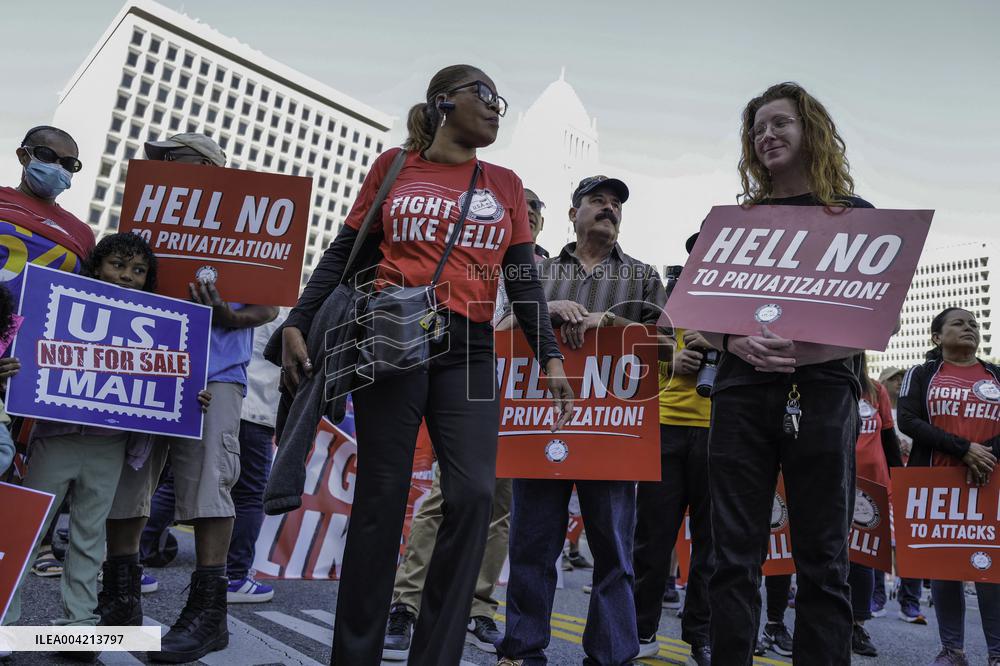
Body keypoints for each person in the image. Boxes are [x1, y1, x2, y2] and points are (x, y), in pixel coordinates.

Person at [276, 65, 572, 666]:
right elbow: (343, 253)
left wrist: (549, 355)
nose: (495, 107)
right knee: (381, 498)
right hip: (393, 338)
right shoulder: (393, 167)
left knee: (474, 493)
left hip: (471, 348)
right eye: (483, 94)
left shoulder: (506, 184)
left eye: (500, 101)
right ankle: (354, 655)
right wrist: (297, 320)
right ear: (443, 103)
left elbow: (521, 278)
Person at [700, 82, 874, 665]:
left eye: (780, 123)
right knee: (732, 556)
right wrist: (734, 341)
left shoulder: (855, 216)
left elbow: (877, 320)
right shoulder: (734, 221)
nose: (766, 135)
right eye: (757, 129)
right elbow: (701, 312)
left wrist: (802, 353)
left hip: (823, 396)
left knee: (823, 558)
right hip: (739, 394)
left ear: (811, 130)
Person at [97, 133, 279, 663]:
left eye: (171, 159)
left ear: (206, 167)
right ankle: (121, 604)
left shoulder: (243, 225)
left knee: (208, 486)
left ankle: (207, 614)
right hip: (148, 365)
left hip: (214, 373)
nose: (161, 167)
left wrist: (226, 314)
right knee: (129, 480)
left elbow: (267, 308)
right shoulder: (151, 222)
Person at [2, 234, 208, 654]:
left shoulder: (154, 323)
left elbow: (169, 376)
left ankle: (79, 626)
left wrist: (191, 395)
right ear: (96, 267)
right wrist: (7, 368)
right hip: (55, 439)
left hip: (109, 446)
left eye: (138, 270)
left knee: (89, 538)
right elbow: (24, 351)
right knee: (27, 531)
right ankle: (4, 620)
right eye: (117, 265)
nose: (127, 276)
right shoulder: (53, 305)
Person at [495, 174, 668, 665]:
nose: (609, 208)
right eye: (597, 200)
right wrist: (544, 309)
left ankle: (610, 656)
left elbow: (668, 345)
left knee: (613, 552)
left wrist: (608, 322)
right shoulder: (538, 272)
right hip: (541, 424)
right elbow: (500, 329)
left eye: (616, 204)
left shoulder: (642, 277)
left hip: (612, 431)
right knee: (532, 546)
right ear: (573, 214)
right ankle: (522, 650)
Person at [383, 188, 548, 660]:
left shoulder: (543, 271)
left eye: (534, 216)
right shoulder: (472, 259)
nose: (527, 220)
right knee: (444, 496)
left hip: (519, 403)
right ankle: (406, 604)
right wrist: (517, 321)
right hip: (467, 394)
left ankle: (479, 607)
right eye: (521, 212)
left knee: (499, 508)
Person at [140, 311, 287, 603]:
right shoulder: (279, 311)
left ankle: (131, 557)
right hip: (250, 407)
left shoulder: (259, 306)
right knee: (246, 493)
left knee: (178, 484)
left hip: (218, 392)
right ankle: (233, 575)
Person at [2, 125, 95, 578]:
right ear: (24, 156)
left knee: (21, 464)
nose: (58, 168)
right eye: (47, 156)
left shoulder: (81, 233)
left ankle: (24, 547)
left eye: (69, 163)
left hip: (33, 366)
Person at [897, 307, 1000, 666]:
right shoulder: (922, 373)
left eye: (974, 324)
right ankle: (952, 650)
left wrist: (984, 456)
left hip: (990, 481)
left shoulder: (996, 375)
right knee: (944, 567)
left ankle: (997, 653)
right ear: (937, 336)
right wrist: (963, 449)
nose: (969, 328)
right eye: (959, 323)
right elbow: (907, 419)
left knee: (991, 568)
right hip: (936, 483)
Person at [631, 232, 713, 664]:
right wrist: (672, 359)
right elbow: (636, 348)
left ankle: (701, 634)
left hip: (720, 431)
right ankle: (641, 628)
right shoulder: (668, 296)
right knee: (652, 538)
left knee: (711, 544)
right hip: (665, 426)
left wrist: (721, 347)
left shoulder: (741, 300)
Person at [848, 358, 903, 658]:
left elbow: (888, 437)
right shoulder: (828, 385)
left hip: (872, 488)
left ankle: (857, 625)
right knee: (831, 556)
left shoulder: (876, 390)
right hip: (832, 483)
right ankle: (829, 623)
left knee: (863, 559)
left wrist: (900, 481)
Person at [874, 365, 927, 623]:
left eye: (901, 379)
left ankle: (910, 602)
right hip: (882, 482)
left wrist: (910, 445)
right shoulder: (874, 407)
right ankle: (876, 597)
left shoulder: (914, 410)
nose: (898, 382)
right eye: (893, 378)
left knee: (912, 542)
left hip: (910, 482)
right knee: (877, 539)